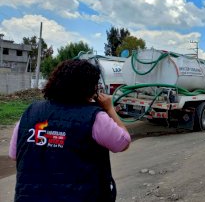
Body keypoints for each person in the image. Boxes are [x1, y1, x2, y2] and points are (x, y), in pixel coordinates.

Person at [8, 59, 131, 202]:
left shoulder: (30, 112)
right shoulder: (94, 117)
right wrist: (109, 109)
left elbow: (14, 154)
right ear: (89, 88)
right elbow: (123, 142)